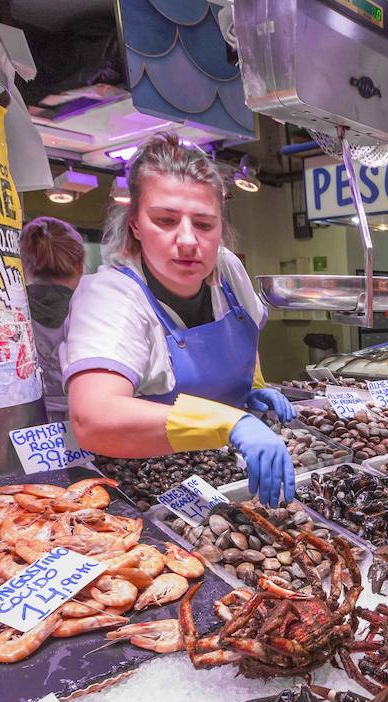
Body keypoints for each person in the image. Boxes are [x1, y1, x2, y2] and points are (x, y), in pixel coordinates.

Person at [59, 133, 296, 504]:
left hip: (220, 469)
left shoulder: (227, 269)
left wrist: (250, 385)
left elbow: (247, 335)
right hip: (140, 486)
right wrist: (230, 422)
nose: (188, 240)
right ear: (136, 224)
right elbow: (94, 417)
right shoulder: (108, 295)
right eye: (165, 220)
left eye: (204, 224)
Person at [19, 216, 86, 421]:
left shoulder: (9, 313)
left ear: (21, 264)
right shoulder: (100, 311)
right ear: (80, 266)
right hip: (86, 425)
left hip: (25, 430)